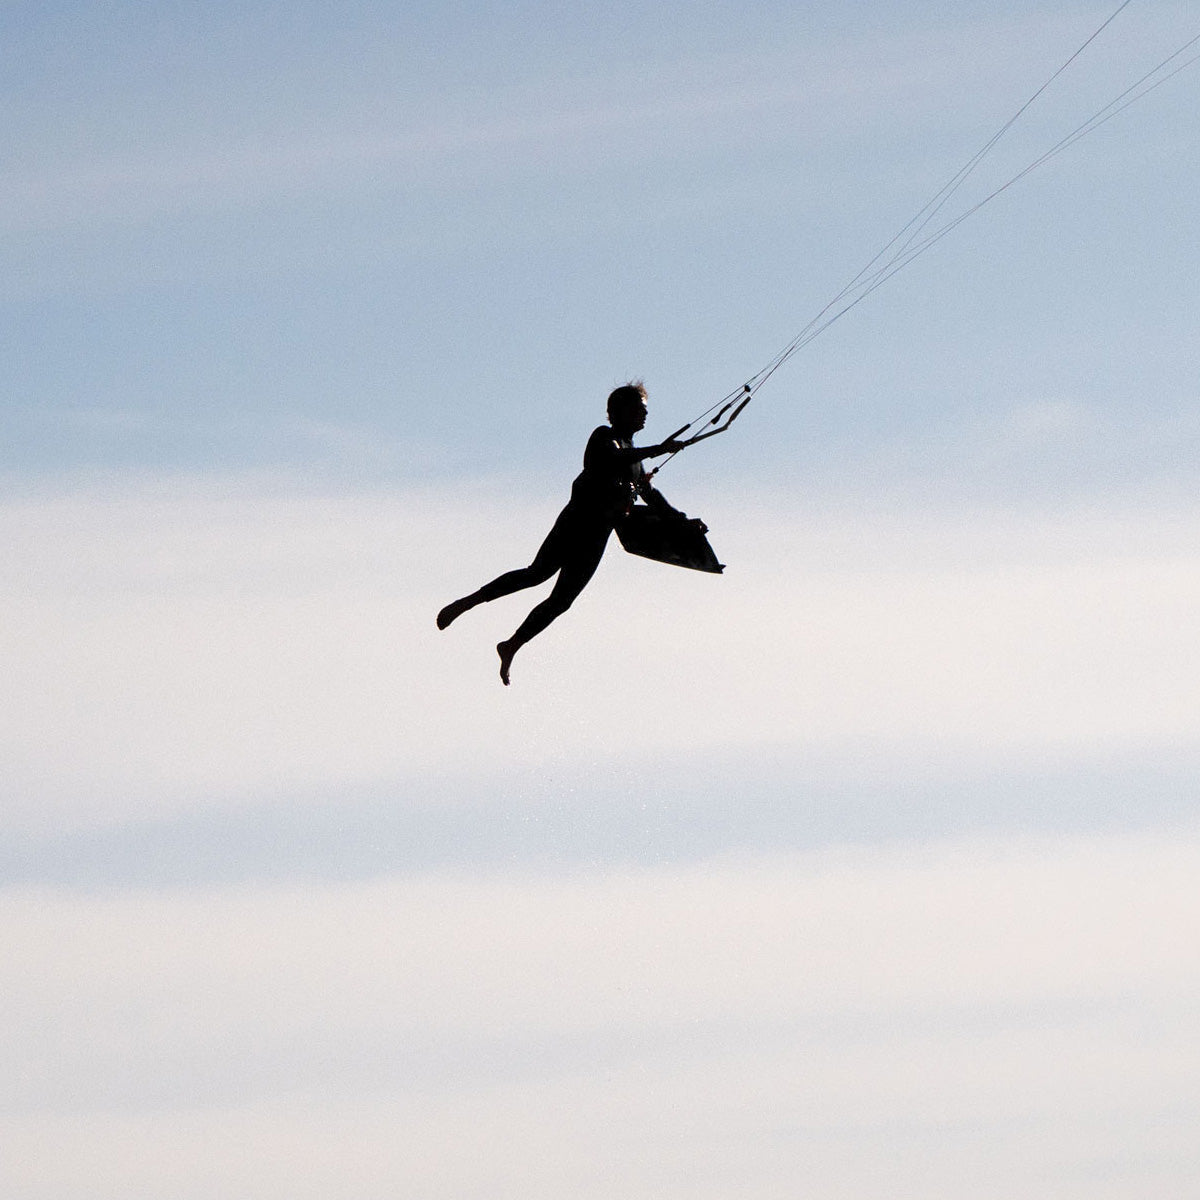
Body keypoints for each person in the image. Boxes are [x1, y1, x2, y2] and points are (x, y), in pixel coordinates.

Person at [437, 381, 693, 685]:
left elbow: (652, 496)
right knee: (536, 574)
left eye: (645, 410)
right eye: (639, 409)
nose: (645, 415)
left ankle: (511, 645)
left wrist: (683, 521)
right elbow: (612, 459)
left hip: (598, 535)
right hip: (576, 522)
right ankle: (468, 602)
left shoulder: (634, 459)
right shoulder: (604, 437)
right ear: (620, 411)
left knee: (562, 600)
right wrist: (659, 449)